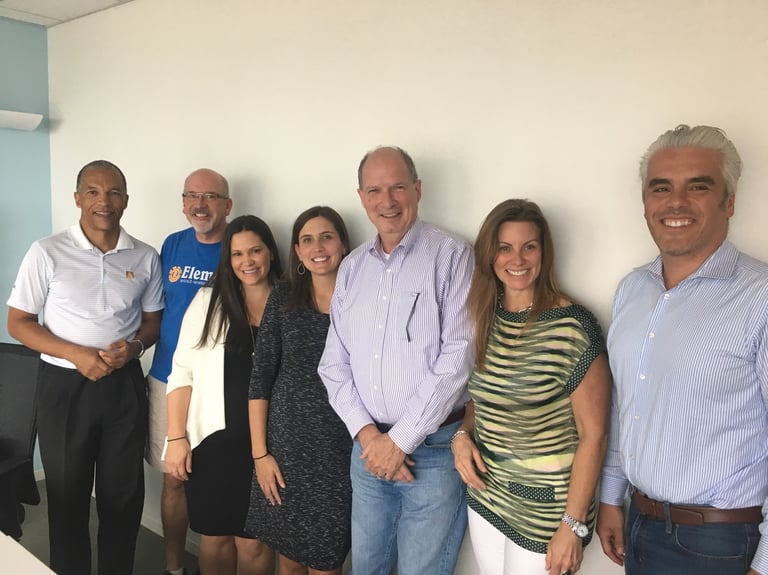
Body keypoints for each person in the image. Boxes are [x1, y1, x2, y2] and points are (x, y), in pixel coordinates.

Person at [596, 124, 768, 575]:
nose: (675, 203)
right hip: (640, 523)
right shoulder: (632, 291)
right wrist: (611, 497)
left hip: (722, 543)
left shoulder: (761, 297)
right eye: (661, 188)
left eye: (698, 186)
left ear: (729, 202)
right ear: (646, 203)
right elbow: (624, 405)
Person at [318, 146, 475, 575]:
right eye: (375, 190)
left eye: (397, 188)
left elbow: (459, 356)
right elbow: (334, 364)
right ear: (362, 196)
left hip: (435, 452)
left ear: (417, 189)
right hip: (367, 452)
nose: (387, 201)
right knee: (367, 567)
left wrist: (400, 441)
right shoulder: (351, 268)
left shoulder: (452, 255)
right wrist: (371, 440)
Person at [6, 160, 164, 575]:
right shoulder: (47, 251)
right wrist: (76, 354)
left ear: (126, 201)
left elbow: (152, 323)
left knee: (122, 497)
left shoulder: (145, 256)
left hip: (123, 388)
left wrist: (133, 348)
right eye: (93, 191)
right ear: (77, 198)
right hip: (63, 388)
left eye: (113, 193)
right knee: (67, 497)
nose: (103, 201)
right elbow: (18, 322)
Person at [451, 199, 611, 575]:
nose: (517, 259)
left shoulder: (572, 326)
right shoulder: (484, 316)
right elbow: (483, 400)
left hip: (548, 514)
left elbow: (595, 434)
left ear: (544, 251)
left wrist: (572, 526)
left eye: (529, 246)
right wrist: (461, 436)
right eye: (505, 247)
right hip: (488, 496)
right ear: (490, 254)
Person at [165, 215, 279, 575]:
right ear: (228, 260)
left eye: (256, 251)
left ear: (271, 253)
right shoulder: (207, 301)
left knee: (255, 541)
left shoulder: (290, 303)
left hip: (269, 446)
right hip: (213, 441)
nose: (247, 261)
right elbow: (181, 372)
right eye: (237, 254)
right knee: (214, 539)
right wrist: (176, 437)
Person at [246, 206, 353, 575]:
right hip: (285, 448)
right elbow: (261, 377)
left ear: (343, 243)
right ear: (297, 251)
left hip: (341, 451)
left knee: (326, 563)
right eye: (307, 239)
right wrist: (260, 456)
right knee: (288, 560)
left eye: (327, 236)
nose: (317, 246)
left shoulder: (364, 297)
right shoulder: (284, 295)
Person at [146, 168, 232, 575]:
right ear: (183, 203)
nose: (200, 205)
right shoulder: (172, 245)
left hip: (219, 389)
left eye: (211, 196)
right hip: (167, 379)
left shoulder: (240, 247)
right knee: (174, 480)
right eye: (192, 196)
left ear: (227, 205)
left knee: (223, 480)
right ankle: (175, 567)